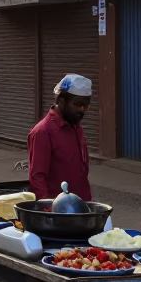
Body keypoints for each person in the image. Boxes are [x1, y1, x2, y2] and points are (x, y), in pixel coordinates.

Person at [27, 74, 93, 202]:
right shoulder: (43, 132)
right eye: (77, 105)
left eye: (86, 106)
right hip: (57, 209)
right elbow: (37, 178)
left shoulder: (76, 127)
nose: (82, 110)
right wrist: (47, 209)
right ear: (61, 101)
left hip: (81, 205)